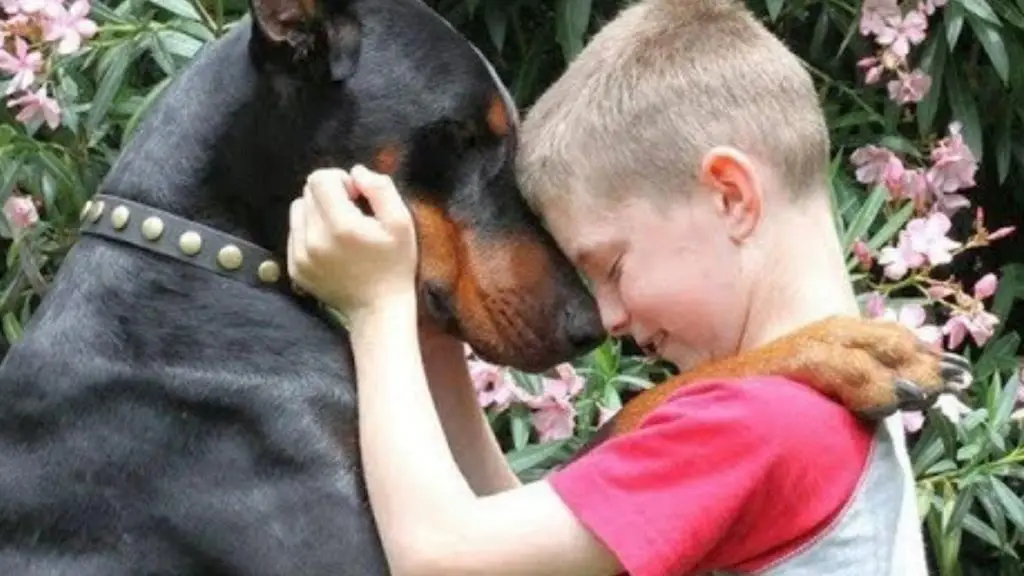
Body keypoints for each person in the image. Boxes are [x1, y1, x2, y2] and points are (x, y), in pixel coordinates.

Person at [285, 0, 930, 574]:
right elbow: (517, 538)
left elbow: (443, 558)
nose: (607, 318)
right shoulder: (846, 401)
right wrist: (432, 333)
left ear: (730, 196)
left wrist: (375, 309)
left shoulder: (758, 422)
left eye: (612, 266)